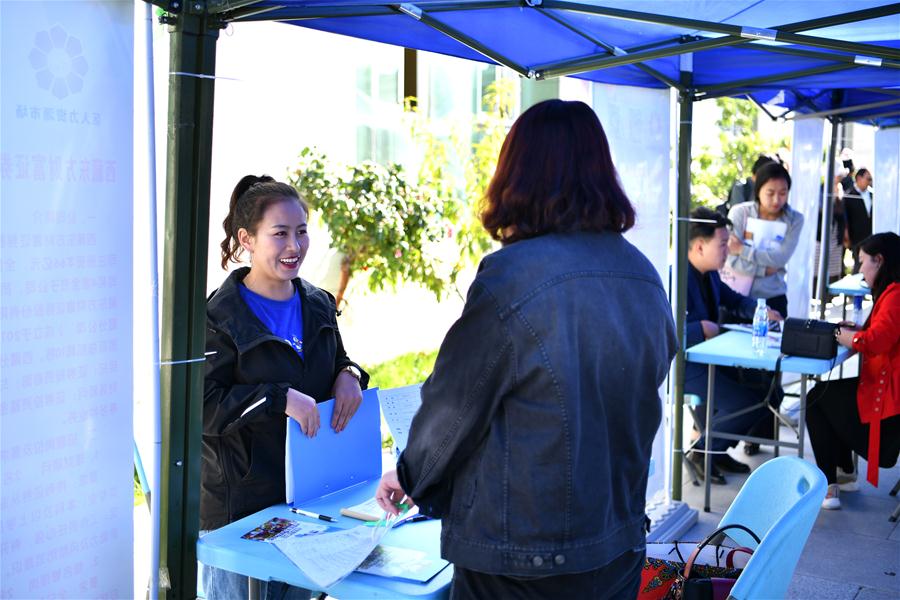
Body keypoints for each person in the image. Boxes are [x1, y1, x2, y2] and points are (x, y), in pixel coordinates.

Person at [374, 99, 677, 599]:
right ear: (603, 174)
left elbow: (455, 405)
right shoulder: (643, 274)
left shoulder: (511, 277)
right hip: (617, 542)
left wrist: (410, 475)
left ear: (516, 174)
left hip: (523, 558)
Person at [201, 176, 369, 598]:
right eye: (279, 234)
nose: (295, 246)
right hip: (241, 513)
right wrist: (276, 398)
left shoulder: (319, 303)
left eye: (301, 231)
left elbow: (336, 360)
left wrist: (350, 374)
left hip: (311, 499)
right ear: (247, 239)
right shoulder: (217, 317)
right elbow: (202, 408)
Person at [683, 207, 783, 484]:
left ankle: (717, 450)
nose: (728, 250)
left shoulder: (711, 275)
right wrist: (700, 328)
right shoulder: (676, 277)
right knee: (750, 403)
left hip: (712, 359)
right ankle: (703, 451)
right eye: (723, 244)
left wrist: (761, 310)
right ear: (700, 246)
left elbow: (736, 301)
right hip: (686, 367)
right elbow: (662, 331)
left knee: (770, 392)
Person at [807, 232, 900, 510]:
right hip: (888, 389)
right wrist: (859, 331)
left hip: (889, 399)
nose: (860, 269)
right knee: (828, 397)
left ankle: (829, 487)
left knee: (816, 400)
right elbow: (885, 333)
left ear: (879, 260)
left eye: (862, 262)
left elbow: (877, 341)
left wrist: (845, 336)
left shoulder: (895, 294)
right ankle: (845, 475)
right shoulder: (893, 291)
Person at [725, 161, 803, 318]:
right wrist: (764, 270)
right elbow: (730, 258)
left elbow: (780, 259)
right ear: (758, 190)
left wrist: (742, 249)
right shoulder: (740, 213)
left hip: (773, 297)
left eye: (783, 193)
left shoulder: (794, 219)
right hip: (736, 297)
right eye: (770, 193)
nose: (776, 200)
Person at [843, 168, 874, 273]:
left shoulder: (872, 194)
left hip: (871, 236)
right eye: (868, 179)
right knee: (859, 265)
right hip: (857, 239)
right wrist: (847, 236)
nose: (869, 182)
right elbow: (846, 219)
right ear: (859, 178)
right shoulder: (849, 195)